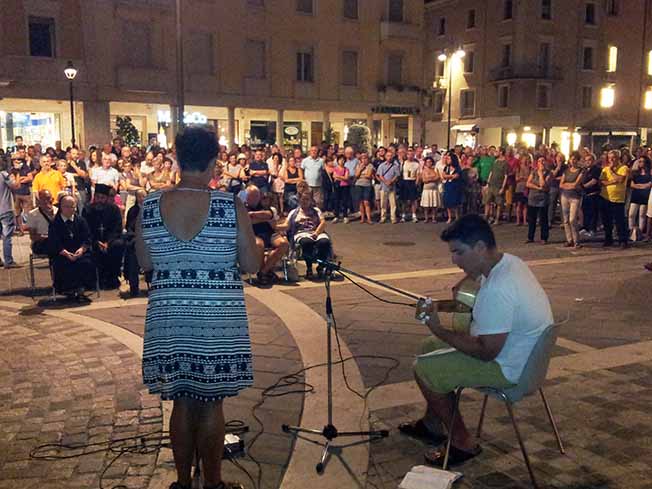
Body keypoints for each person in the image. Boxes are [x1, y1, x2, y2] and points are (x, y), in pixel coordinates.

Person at [136, 127, 259, 489]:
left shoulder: (151, 204)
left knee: (181, 402)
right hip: (216, 316)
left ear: (176, 158)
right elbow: (251, 263)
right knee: (212, 403)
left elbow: (145, 259)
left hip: (170, 315)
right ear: (213, 161)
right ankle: (214, 484)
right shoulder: (228, 205)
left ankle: (182, 483)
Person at [399, 214, 553, 467]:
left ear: (480, 247)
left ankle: (462, 442)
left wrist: (439, 330)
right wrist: (440, 306)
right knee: (427, 349)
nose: (454, 260)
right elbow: (471, 299)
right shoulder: (509, 263)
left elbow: (486, 351)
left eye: (459, 252)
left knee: (424, 368)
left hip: (508, 368)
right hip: (524, 357)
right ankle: (432, 423)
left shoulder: (499, 288)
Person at [48, 194, 97, 295]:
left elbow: (87, 238)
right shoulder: (55, 223)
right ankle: (67, 290)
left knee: (86, 262)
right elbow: (54, 242)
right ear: (61, 207)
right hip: (62, 253)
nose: (70, 209)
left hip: (79, 252)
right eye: (67, 207)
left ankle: (82, 288)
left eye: (73, 207)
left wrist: (82, 249)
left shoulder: (81, 221)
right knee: (63, 264)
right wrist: (66, 253)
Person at [83, 183, 125, 289]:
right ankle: (97, 279)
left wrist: (108, 242)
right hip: (94, 240)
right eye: (97, 197)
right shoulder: (87, 209)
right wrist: (97, 241)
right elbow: (85, 229)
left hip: (110, 241)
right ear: (94, 197)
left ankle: (113, 277)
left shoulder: (114, 209)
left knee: (118, 245)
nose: (99, 200)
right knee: (92, 249)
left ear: (106, 198)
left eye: (102, 198)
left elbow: (117, 229)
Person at [245, 185, 289, 286]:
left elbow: (269, 214)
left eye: (257, 196)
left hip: (269, 233)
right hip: (253, 234)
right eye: (252, 197)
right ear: (247, 197)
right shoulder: (242, 206)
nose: (255, 199)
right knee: (259, 245)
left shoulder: (263, 204)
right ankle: (265, 272)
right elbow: (248, 220)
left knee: (283, 244)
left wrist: (253, 215)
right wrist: (262, 218)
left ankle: (263, 272)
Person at [285, 191, 331, 279]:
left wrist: (316, 233)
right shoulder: (294, 212)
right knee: (307, 242)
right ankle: (309, 268)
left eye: (307, 199)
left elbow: (323, 223)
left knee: (324, 242)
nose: (305, 201)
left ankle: (321, 266)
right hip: (301, 233)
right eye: (303, 199)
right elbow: (286, 225)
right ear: (299, 200)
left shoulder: (316, 211)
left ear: (311, 200)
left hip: (316, 231)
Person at [600, 149, 630, 248]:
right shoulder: (605, 169)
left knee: (619, 221)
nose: (612, 160)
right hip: (605, 197)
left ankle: (623, 240)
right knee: (607, 221)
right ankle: (608, 239)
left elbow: (621, 179)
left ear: (618, 158)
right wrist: (613, 181)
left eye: (614, 157)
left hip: (618, 199)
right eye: (610, 158)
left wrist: (612, 171)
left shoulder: (624, 168)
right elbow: (601, 182)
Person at [124, 189, 148, 297]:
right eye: (140, 196)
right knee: (132, 255)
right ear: (137, 198)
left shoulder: (153, 209)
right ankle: (134, 287)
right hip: (136, 241)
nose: (142, 198)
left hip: (150, 240)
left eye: (144, 196)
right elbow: (129, 228)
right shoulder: (132, 211)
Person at [559, 153, 584, 248]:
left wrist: (568, 185)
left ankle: (577, 240)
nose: (573, 161)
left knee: (572, 219)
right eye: (571, 159)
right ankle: (569, 240)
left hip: (575, 197)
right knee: (565, 220)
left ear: (577, 160)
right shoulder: (566, 171)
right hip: (565, 196)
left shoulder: (581, 171)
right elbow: (561, 184)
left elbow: (576, 184)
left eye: (575, 159)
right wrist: (570, 185)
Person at [525, 157, 551, 244]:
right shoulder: (533, 171)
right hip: (533, 198)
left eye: (543, 161)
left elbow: (543, 185)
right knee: (532, 219)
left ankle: (544, 238)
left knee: (543, 219)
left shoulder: (549, 173)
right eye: (539, 161)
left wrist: (540, 175)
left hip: (543, 199)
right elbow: (528, 183)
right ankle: (530, 237)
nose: (541, 163)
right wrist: (537, 187)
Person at [0, 162, 21, 268]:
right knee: (7, 236)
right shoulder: (3, 175)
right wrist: (17, 173)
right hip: (5, 208)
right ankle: (8, 261)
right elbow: (16, 186)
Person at [25, 190, 57, 256]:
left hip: (57, 242)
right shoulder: (32, 214)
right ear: (39, 201)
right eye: (43, 199)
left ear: (53, 199)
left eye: (48, 198)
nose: (46, 201)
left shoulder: (58, 211)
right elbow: (33, 236)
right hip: (41, 243)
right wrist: (47, 237)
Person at [628, 157, 651, 242]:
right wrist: (642, 186)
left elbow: (649, 185)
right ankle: (631, 231)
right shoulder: (635, 173)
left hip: (645, 196)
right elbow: (632, 184)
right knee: (631, 214)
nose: (641, 163)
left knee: (642, 215)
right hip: (636, 195)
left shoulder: (649, 174)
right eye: (639, 161)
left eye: (642, 161)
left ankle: (639, 233)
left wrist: (639, 186)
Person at [483, 148, 508, 225]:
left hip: (498, 186)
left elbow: (505, 176)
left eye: (497, 151)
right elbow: (491, 173)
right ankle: (486, 218)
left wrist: (502, 187)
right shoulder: (495, 161)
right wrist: (487, 184)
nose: (495, 153)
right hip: (491, 185)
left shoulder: (505, 163)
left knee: (498, 204)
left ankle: (497, 219)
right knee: (487, 202)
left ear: (501, 152)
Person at [377, 151, 401, 224]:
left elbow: (397, 175)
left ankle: (393, 218)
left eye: (390, 156)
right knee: (383, 204)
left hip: (392, 187)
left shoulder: (395, 166)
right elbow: (380, 175)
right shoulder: (381, 165)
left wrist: (391, 181)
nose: (389, 157)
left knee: (393, 203)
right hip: (383, 187)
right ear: (385, 157)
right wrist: (385, 182)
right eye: (388, 156)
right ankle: (383, 217)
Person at [441, 152, 463, 224]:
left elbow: (457, 176)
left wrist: (448, 176)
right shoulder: (446, 167)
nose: (447, 160)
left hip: (455, 186)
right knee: (447, 202)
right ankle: (449, 217)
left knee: (455, 202)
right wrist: (450, 176)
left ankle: (457, 217)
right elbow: (443, 175)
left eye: (449, 158)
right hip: (448, 186)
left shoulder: (457, 168)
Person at [354, 153, 375, 224]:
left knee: (366, 202)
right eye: (362, 158)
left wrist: (361, 175)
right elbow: (356, 175)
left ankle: (369, 218)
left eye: (365, 158)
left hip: (367, 185)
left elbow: (369, 176)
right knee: (360, 202)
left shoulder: (370, 166)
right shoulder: (358, 165)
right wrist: (360, 169)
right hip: (358, 185)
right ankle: (362, 218)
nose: (364, 160)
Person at [419, 156, 441, 223]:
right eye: (427, 162)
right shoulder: (423, 171)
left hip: (434, 189)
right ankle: (426, 218)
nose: (429, 163)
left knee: (434, 205)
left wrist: (429, 178)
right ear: (425, 163)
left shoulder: (435, 169)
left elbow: (438, 177)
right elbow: (424, 180)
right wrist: (432, 178)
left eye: (430, 162)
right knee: (426, 205)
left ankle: (434, 218)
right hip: (426, 189)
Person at [332, 155, 351, 224]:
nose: (342, 161)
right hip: (337, 186)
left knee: (344, 201)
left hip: (345, 186)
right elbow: (334, 176)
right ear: (337, 161)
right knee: (336, 201)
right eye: (340, 160)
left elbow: (346, 178)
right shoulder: (335, 169)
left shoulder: (346, 169)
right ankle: (336, 216)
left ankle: (345, 216)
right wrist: (342, 177)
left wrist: (339, 176)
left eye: (343, 160)